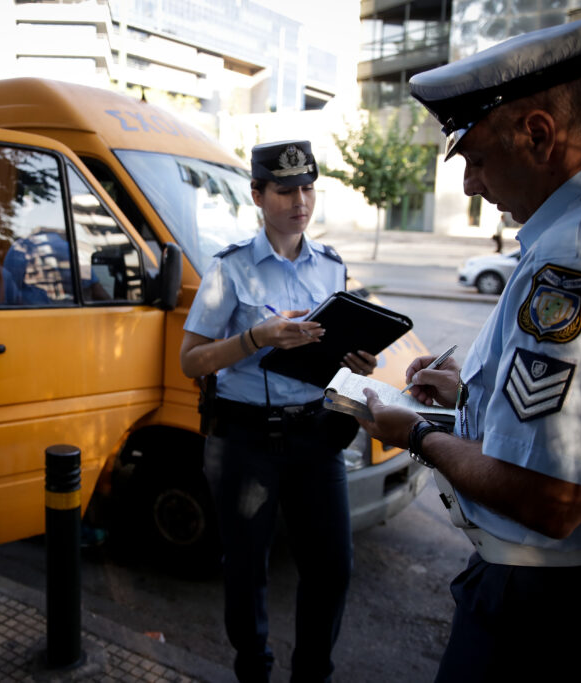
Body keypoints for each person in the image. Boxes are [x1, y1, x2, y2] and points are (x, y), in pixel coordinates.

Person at [358, 14, 581, 682]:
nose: (470, 185)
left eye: (476, 159)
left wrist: (414, 432)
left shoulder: (573, 258)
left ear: (539, 134)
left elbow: (548, 497)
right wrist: (469, 393)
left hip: (555, 618)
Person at [180, 140, 377, 682]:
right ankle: (254, 671)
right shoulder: (229, 269)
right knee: (246, 573)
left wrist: (356, 361)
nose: (300, 201)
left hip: (316, 436)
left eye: (308, 188)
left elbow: (332, 357)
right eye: (286, 189)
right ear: (258, 195)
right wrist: (255, 337)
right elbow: (191, 362)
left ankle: (312, 674)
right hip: (245, 442)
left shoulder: (331, 267)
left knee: (333, 569)